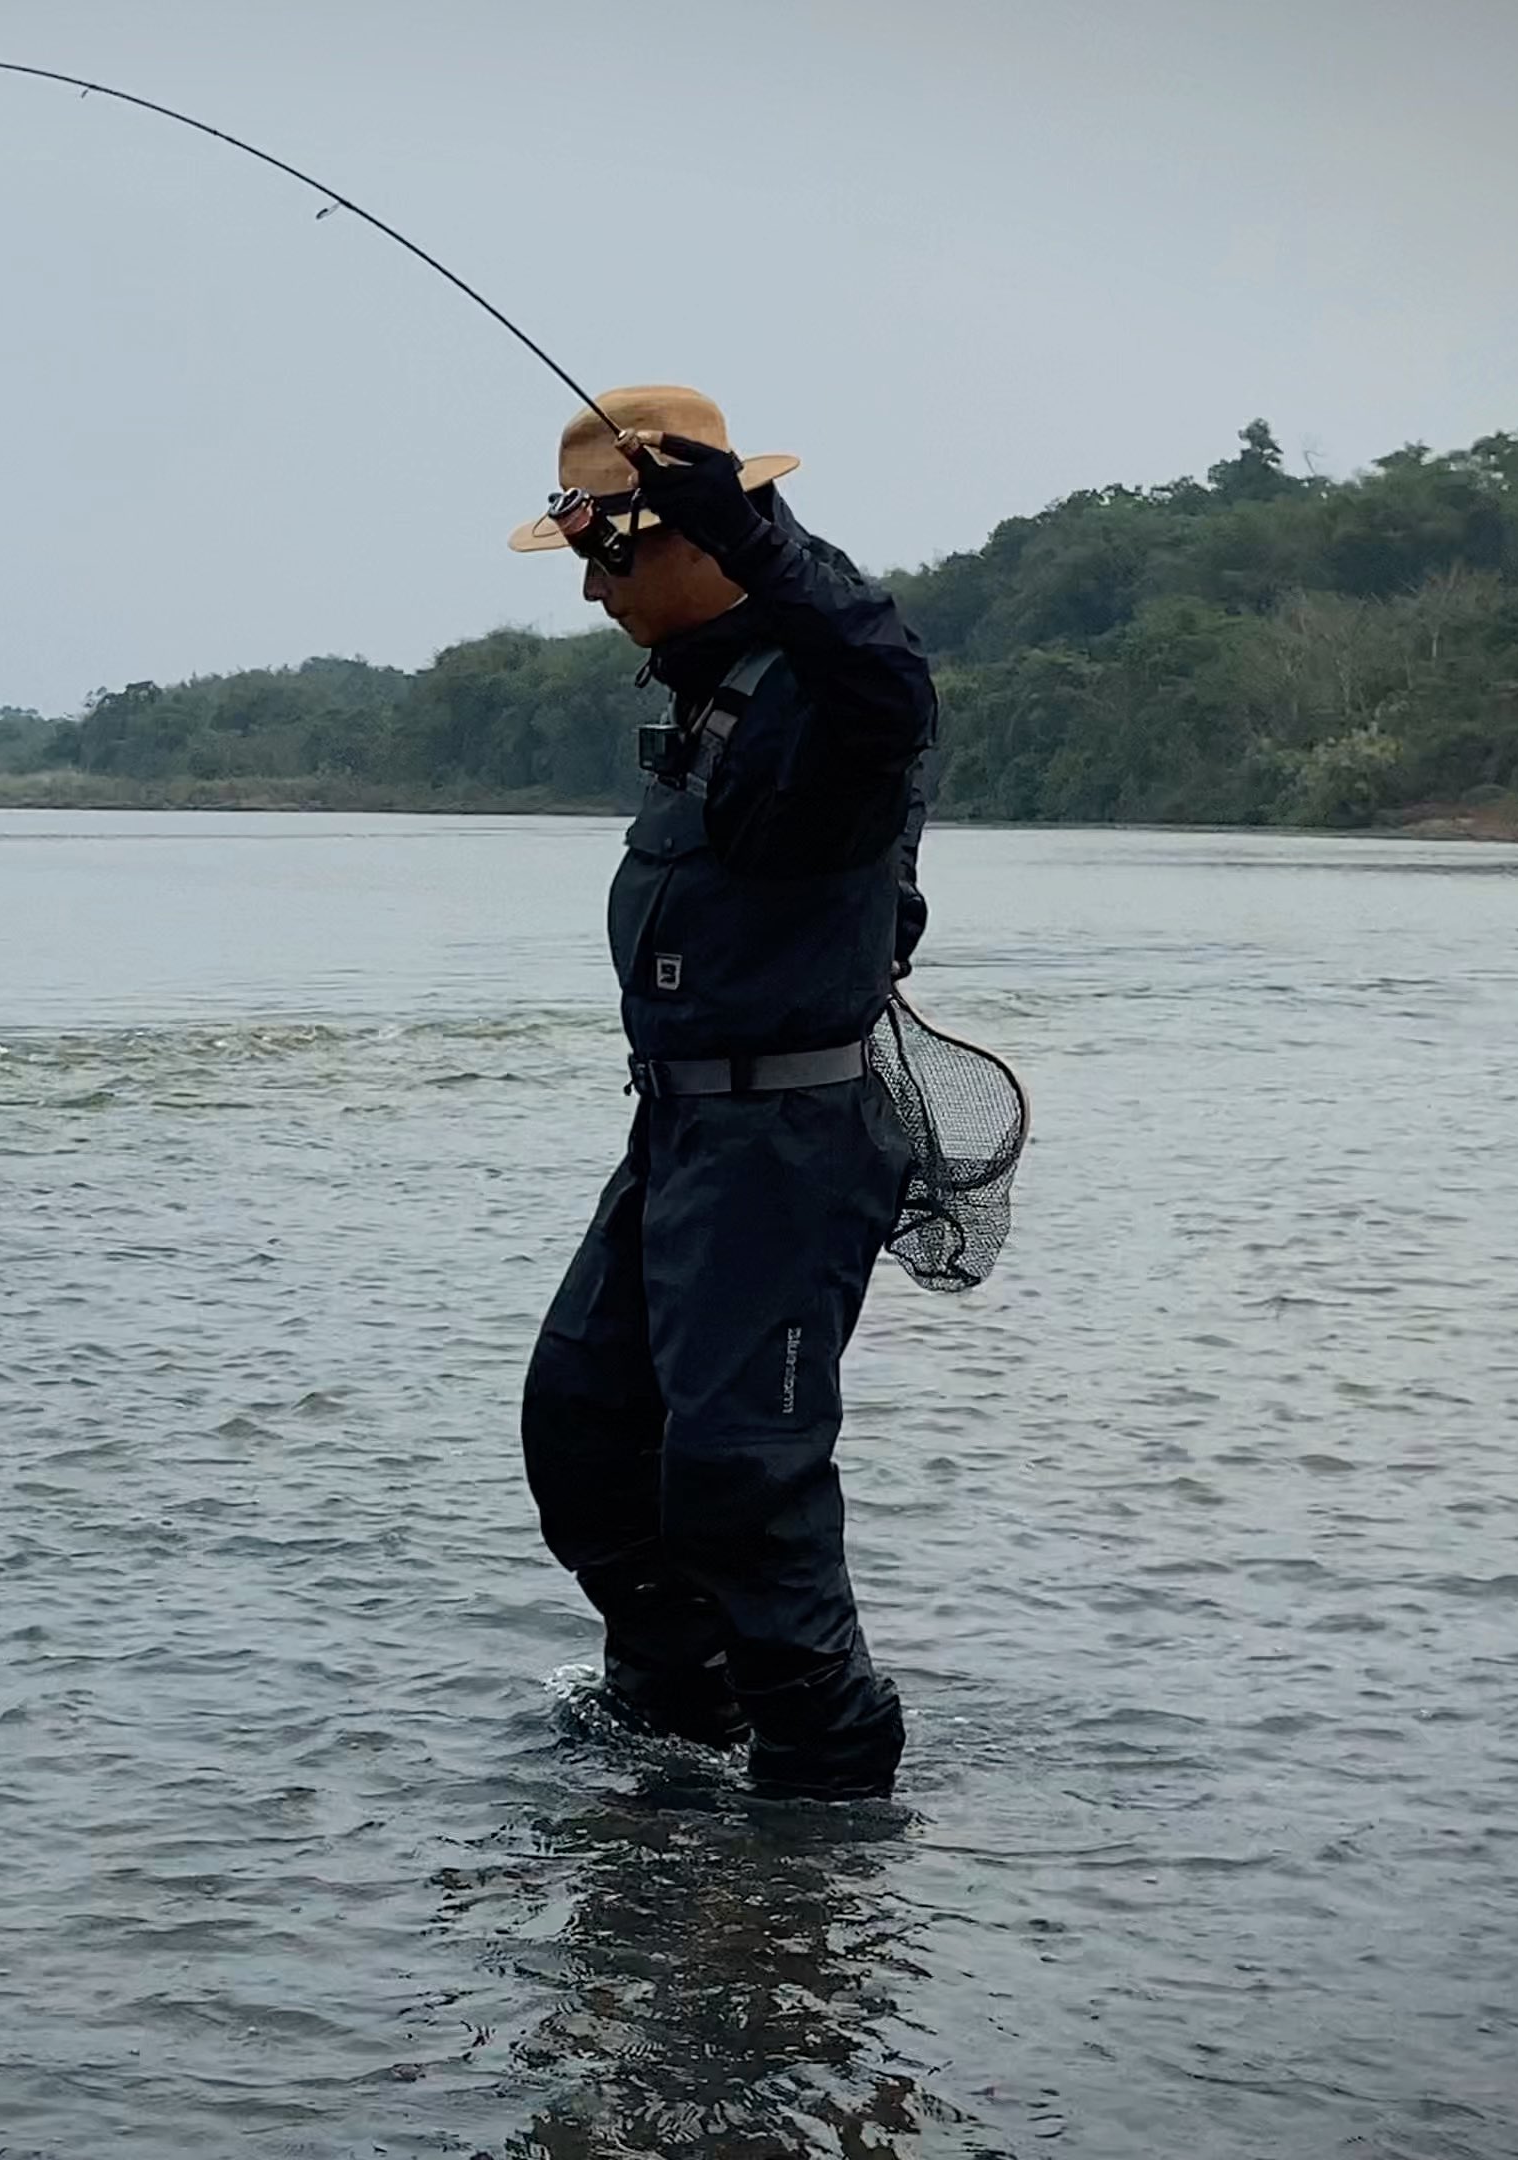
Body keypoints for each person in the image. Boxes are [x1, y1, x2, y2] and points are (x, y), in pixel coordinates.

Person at [508, 384, 939, 1800]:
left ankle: (829, 1778)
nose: (589, 589)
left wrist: (760, 535)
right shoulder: (720, 692)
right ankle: (683, 1717)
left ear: (685, 534)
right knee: (581, 1428)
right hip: (684, 1125)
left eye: (605, 554)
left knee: (744, 1480)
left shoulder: (826, 693)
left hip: (786, 1144)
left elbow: (890, 682)